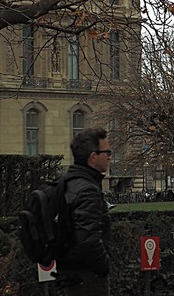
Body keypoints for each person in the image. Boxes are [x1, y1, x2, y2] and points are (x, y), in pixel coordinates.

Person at [57, 127, 112, 296]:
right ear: (93, 157)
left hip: (69, 272)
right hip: (87, 277)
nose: (110, 156)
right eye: (107, 152)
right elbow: (88, 240)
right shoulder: (87, 189)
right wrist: (104, 267)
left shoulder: (69, 182)